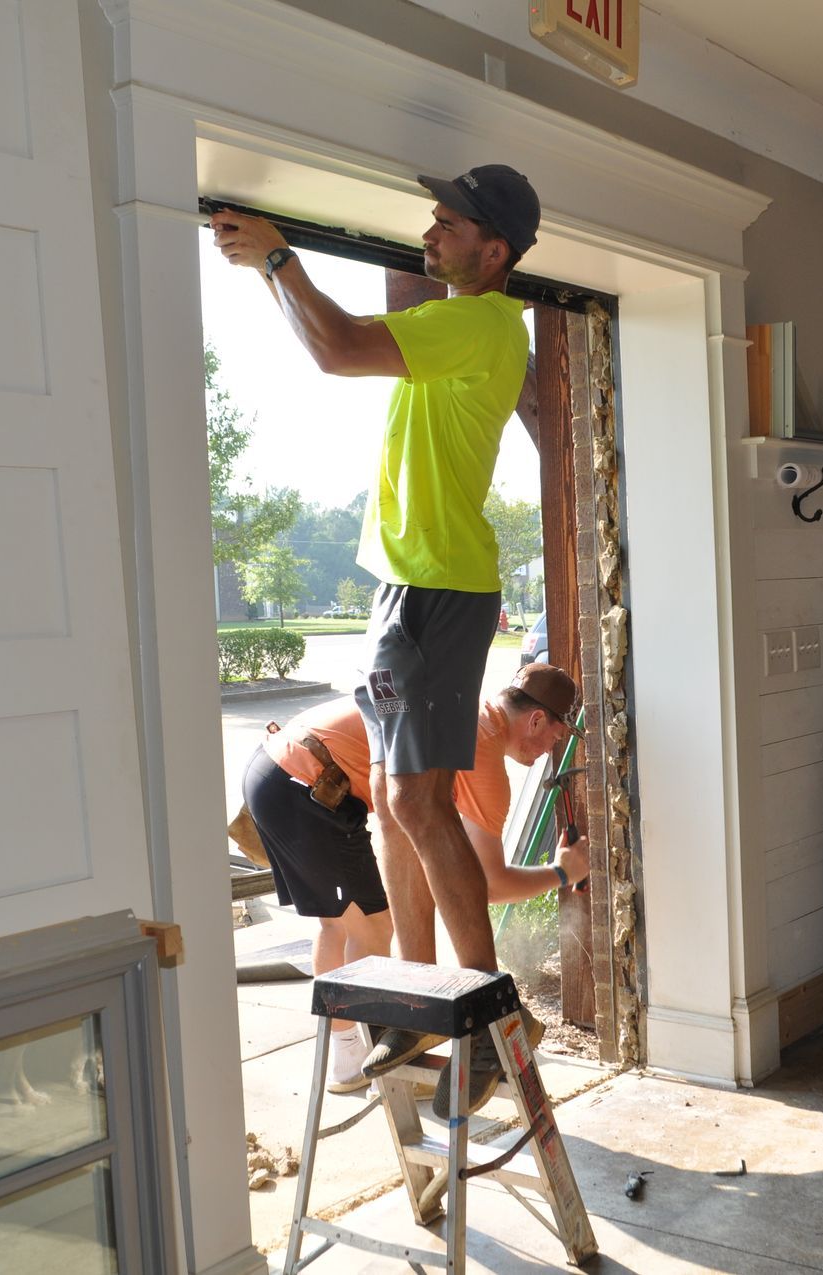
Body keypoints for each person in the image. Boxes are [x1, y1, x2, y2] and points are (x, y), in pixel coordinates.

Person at [213, 167, 543, 1111]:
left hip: (440, 587)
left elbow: (337, 347)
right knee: (403, 805)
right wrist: (275, 266)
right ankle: (415, 997)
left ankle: (480, 1020)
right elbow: (344, 347)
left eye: (451, 222)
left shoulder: (476, 321)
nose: (430, 232)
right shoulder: (455, 329)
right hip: (408, 589)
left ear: (497, 250)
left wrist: (277, 256)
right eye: (433, 217)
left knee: (415, 799)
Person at [240, 665, 588, 1095]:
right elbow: (487, 885)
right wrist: (563, 872)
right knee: (374, 927)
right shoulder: (481, 753)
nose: (552, 748)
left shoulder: (466, 716)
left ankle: (349, 1055)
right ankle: (378, 1065)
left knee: (340, 922)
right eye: (556, 736)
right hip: (312, 788)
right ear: (536, 720)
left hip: (272, 772)